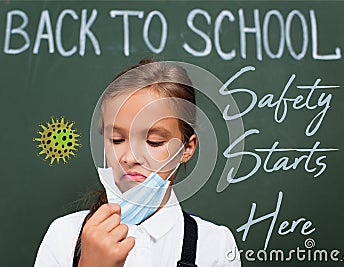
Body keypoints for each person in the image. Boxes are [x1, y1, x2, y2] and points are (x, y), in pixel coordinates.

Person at [34, 58, 242, 267]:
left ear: (186, 148)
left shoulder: (216, 246)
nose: (130, 158)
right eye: (117, 139)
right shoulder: (64, 237)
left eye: (154, 142)